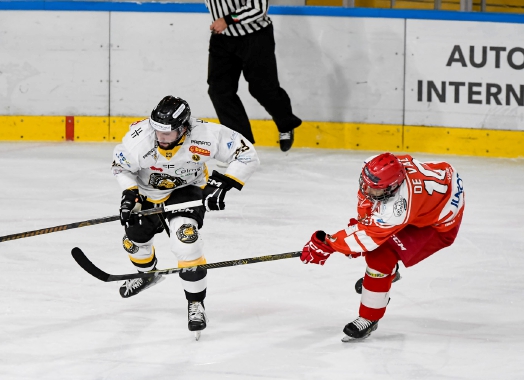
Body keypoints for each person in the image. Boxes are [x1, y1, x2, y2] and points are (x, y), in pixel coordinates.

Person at [111, 95, 260, 337]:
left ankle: (196, 302)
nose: (160, 138)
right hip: (147, 194)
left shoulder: (206, 135)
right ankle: (148, 275)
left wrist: (222, 185)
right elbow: (121, 167)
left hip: (186, 192)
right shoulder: (140, 138)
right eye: (157, 131)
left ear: (183, 127)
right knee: (134, 243)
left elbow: (246, 154)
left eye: (167, 133)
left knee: (186, 241)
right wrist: (129, 194)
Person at [300, 152, 465, 342]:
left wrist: (327, 244)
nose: (368, 190)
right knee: (377, 244)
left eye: (375, 190)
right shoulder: (377, 170)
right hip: (435, 191)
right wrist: (361, 224)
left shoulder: (399, 207)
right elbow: (367, 204)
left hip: (439, 224)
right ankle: (385, 275)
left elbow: (368, 237)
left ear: (393, 187)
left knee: (380, 256)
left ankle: (369, 317)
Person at [205, 0, 302, 152]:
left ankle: (286, 124)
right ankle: (241, 144)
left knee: (262, 89)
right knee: (218, 91)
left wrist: (227, 20)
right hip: (222, 38)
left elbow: (259, 9)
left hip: (255, 37)